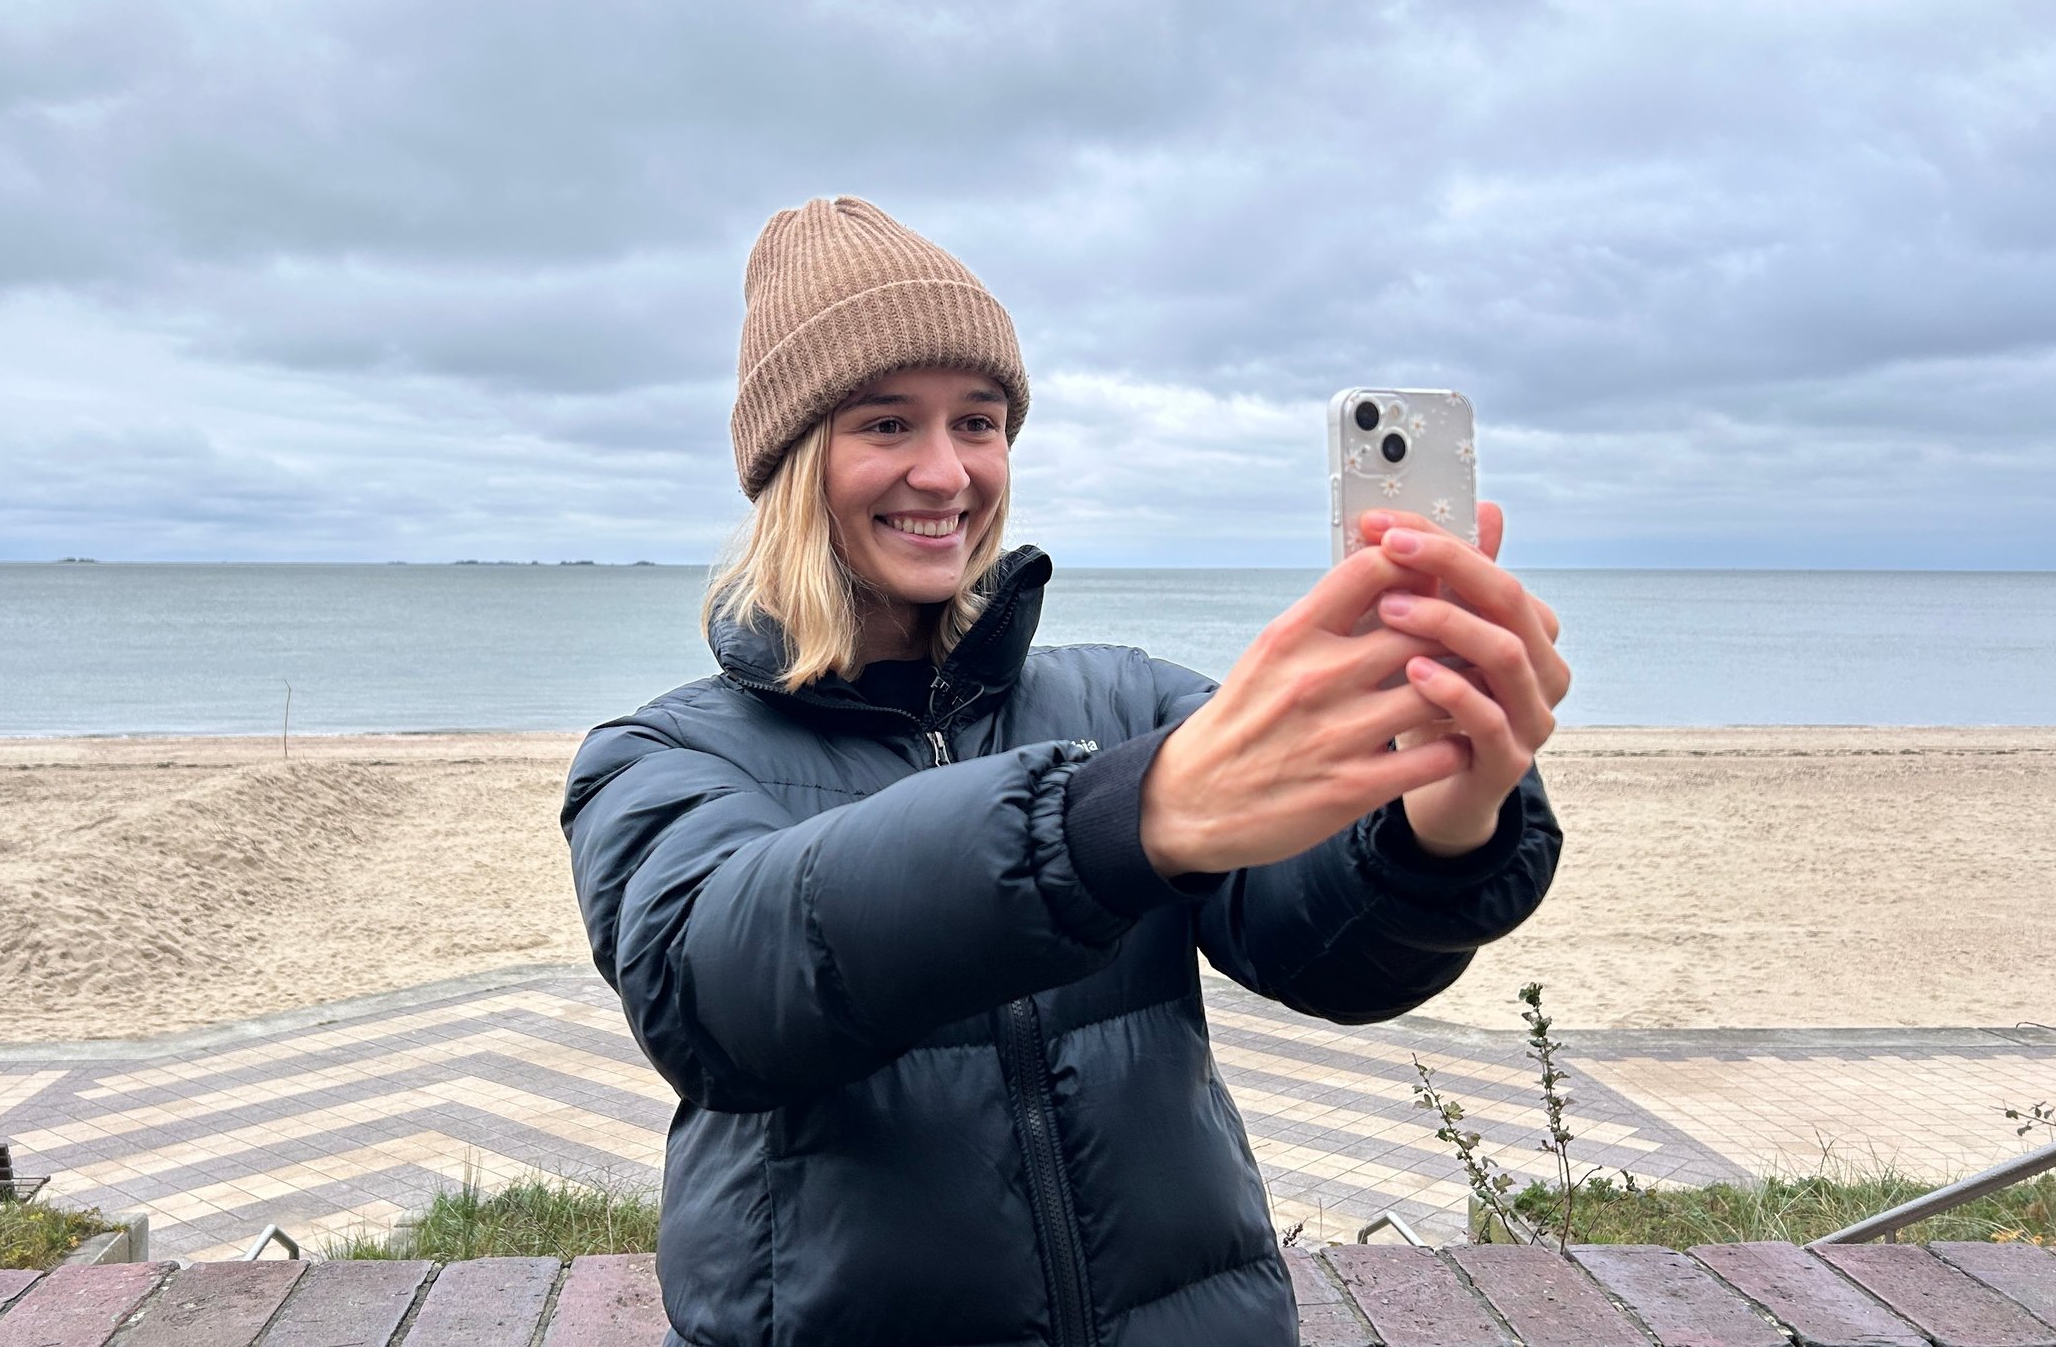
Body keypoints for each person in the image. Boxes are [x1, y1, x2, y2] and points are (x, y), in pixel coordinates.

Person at [561, 197, 1569, 1347]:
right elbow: (717, 992)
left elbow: (1321, 951)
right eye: (887, 425)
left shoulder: (1127, 701)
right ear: (792, 461)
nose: (946, 474)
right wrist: (1113, 819)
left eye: (979, 424)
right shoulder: (659, 755)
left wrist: (1439, 826)